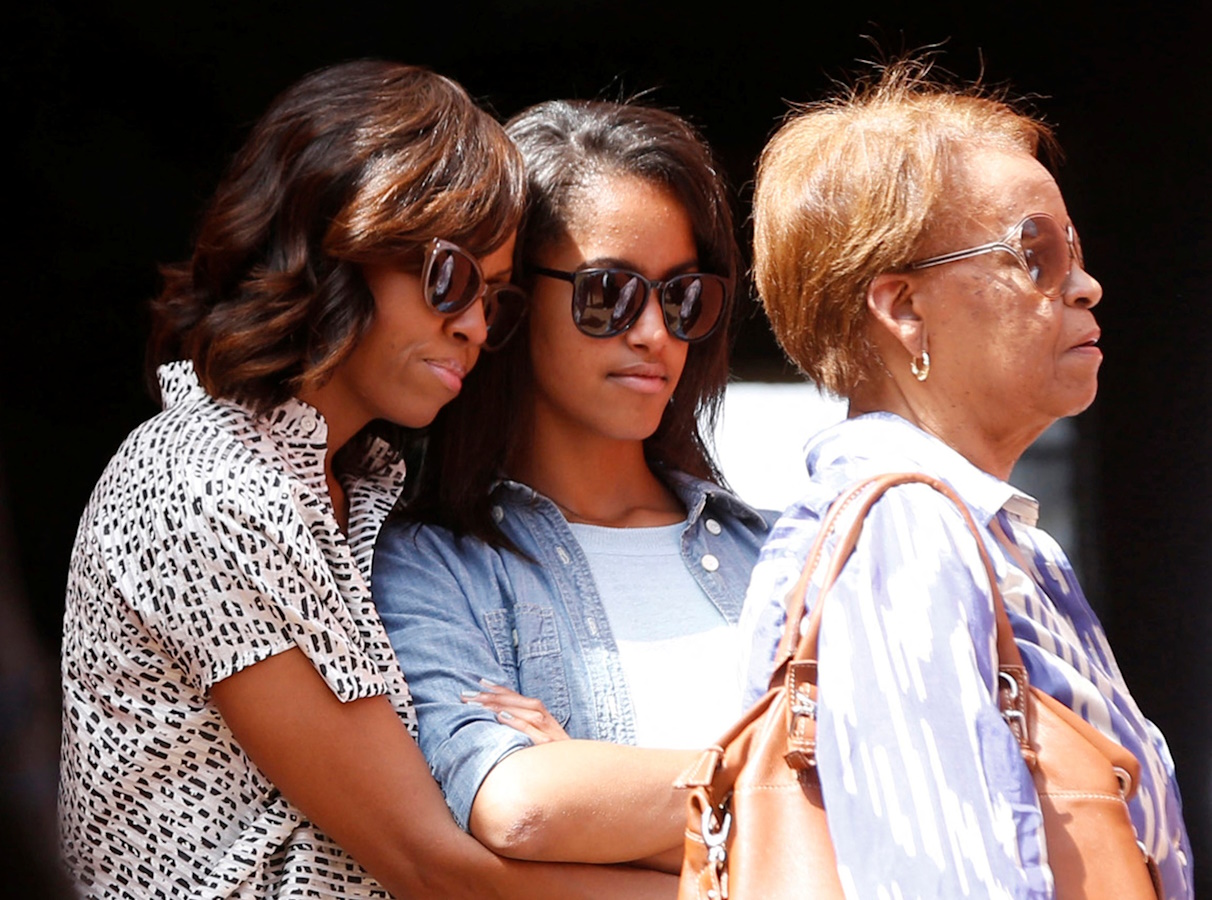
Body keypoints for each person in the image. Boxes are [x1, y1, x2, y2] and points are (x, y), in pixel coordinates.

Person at [58, 60, 671, 899]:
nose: (472, 327)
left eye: (496, 300)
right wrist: (763, 876)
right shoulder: (207, 486)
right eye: (450, 278)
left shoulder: (356, 485)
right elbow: (433, 863)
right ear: (336, 239)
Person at [738, 62, 1193, 898]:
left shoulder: (989, 535)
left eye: (1077, 253)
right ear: (903, 309)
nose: (1086, 285)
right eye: (1037, 254)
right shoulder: (900, 530)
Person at [372, 99, 769, 871]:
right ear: (509, 299)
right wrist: (783, 792)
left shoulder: (790, 554)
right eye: (609, 293)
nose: (654, 332)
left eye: (683, 297)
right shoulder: (429, 566)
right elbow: (520, 810)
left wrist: (609, 803)